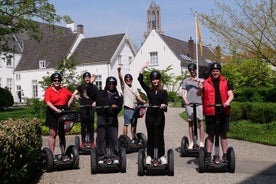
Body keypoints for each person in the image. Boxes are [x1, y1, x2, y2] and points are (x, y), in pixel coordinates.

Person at [198, 62, 234, 162]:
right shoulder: (205, 82)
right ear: (211, 72)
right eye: (213, 71)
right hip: (211, 111)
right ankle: (209, 154)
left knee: (223, 134)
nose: (215, 72)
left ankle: (225, 155)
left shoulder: (226, 82)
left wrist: (227, 102)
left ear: (220, 72)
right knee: (211, 134)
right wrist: (200, 89)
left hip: (223, 111)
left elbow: (231, 95)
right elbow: (198, 94)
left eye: (217, 71)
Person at [138, 62, 168, 165]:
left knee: (160, 135)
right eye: (153, 79)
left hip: (159, 116)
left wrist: (164, 104)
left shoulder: (163, 92)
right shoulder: (149, 90)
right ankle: (149, 155)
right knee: (150, 135)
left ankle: (161, 155)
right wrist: (143, 68)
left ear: (159, 80)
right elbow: (140, 81)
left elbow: (165, 101)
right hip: (150, 115)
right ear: (151, 80)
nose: (155, 81)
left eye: (156, 79)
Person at [89, 76, 123, 164]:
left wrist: (115, 108)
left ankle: (115, 156)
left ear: (115, 85)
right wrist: (90, 83)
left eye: (113, 84)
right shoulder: (100, 93)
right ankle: (101, 157)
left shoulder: (118, 96)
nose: (111, 85)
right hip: (102, 117)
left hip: (112, 119)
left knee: (113, 138)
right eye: (109, 83)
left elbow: (119, 107)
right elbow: (90, 94)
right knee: (101, 138)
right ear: (106, 84)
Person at [44, 72, 74, 160]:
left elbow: (72, 95)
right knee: (53, 134)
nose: (57, 82)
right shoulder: (49, 90)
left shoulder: (64, 89)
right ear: (52, 81)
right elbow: (48, 102)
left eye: (58, 80)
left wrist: (67, 105)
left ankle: (63, 154)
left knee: (62, 134)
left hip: (62, 112)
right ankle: (51, 156)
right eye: (55, 80)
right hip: (52, 113)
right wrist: (55, 109)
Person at [117, 67, 145, 143]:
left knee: (133, 125)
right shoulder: (124, 86)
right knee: (126, 124)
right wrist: (119, 72)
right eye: (127, 80)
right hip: (127, 108)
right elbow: (120, 80)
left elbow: (138, 96)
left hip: (134, 109)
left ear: (131, 80)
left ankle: (133, 139)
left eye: (129, 79)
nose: (128, 81)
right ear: (125, 80)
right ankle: (125, 139)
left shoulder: (134, 87)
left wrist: (142, 100)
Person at [181, 63, 204, 149]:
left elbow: (205, 86)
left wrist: (196, 81)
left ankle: (201, 142)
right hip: (189, 104)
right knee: (190, 123)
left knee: (200, 122)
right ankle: (191, 142)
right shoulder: (186, 80)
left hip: (199, 103)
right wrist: (185, 99)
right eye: (190, 70)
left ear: (196, 70)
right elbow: (183, 91)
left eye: (193, 69)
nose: (192, 71)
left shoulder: (201, 80)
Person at [72, 72, 97, 148]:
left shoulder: (93, 86)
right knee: (83, 125)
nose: (87, 78)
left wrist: (95, 102)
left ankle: (92, 141)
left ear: (90, 78)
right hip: (83, 108)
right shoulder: (81, 86)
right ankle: (83, 141)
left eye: (88, 77)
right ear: (84, 79)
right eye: (85, 77)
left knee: (91, 125)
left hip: (91, 108)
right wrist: (75, 96)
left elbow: (97, 96)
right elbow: (73, 93)